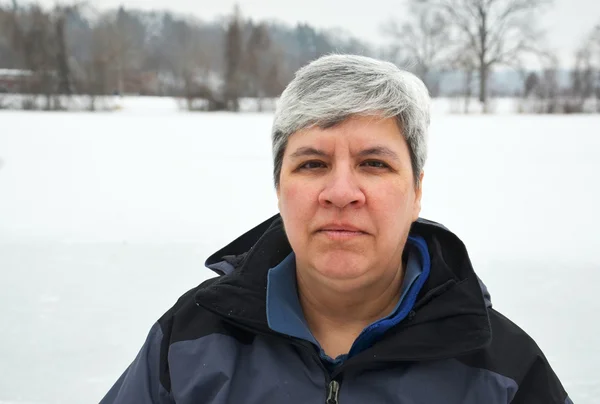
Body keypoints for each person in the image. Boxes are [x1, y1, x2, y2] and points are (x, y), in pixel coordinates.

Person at [100, 54, 572, 404]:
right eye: (312, 163)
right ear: (279, 188)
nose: (341, 191)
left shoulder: (501, 369)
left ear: (416, 192)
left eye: (373, 163)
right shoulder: (190, 341)